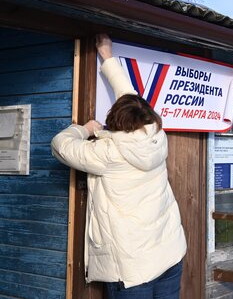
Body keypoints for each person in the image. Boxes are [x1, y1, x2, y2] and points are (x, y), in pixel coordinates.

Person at [52, 34, 187, 299]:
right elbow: (131, 97)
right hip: (170, 255)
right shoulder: (156, 135)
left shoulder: (109, 153)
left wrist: (84, 129)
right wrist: (108, 56)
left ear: (115, 119)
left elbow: (60, 145)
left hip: (132, 270)